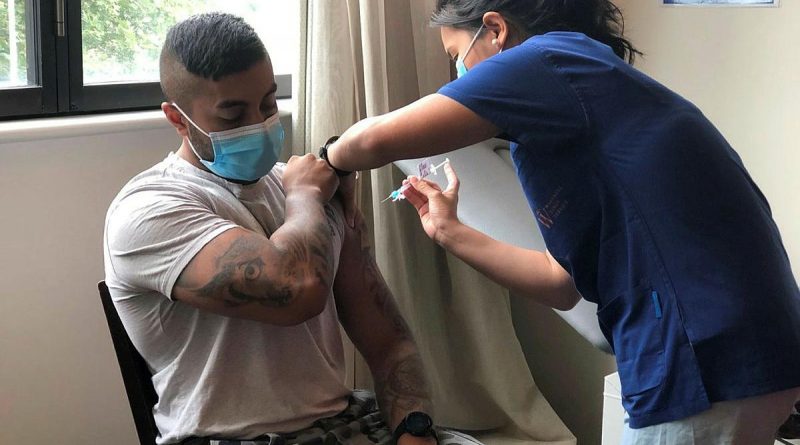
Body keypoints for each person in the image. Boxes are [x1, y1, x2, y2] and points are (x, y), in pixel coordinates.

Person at [323, 0, 800, 443]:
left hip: (707, 356)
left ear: (494, 29)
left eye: (457, 55)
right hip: (746, 347)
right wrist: (449, 231)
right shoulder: (570, 123)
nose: (458, 73)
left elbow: (373, 141)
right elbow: (561, 282)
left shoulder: (548, 58)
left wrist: (328, 159)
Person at [103, 12, 482, 445]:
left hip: (345, 422)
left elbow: (389, 342)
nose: (261, 124)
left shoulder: (310, 191)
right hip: (231, 437)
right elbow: (297, 290)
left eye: (267, 103)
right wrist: (304, 199)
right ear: (177, 119)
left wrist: (415, 430)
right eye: (233, 115)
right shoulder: (148, 210)